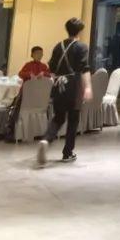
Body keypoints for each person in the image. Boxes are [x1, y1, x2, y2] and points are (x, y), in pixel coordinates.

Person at [36, 18, 91, 167]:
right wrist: (87, 87)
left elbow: (52, 69)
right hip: (74, 85)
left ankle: (46, 140)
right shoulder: (82, 47)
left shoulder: (58, 46)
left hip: (59, 84)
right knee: (73, 119)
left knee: (58, 117)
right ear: (80, 31)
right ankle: (67, 152)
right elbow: (84, 68)